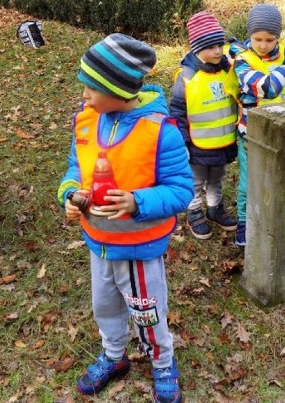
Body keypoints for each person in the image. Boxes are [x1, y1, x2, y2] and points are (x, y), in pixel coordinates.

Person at [57, 33, 193, 403]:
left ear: (115, 88)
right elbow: (75, 168)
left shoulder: (158, 131)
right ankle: (114, 356)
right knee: (105, 307)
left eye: (90, 87)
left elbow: (182, 190)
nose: (83, 95)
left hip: (138, 249)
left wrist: (137, 201)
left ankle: (162, 361)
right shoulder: (86, 122)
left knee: (146, 311)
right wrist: (71, 195)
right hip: (98, 243)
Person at [231, 3, 285, 246]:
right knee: (249, 180)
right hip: (252, 132)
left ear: (278, 37)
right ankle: (244, 222)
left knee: (279, 176)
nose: (263, 45)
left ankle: (274, 217)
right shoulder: (242, 60)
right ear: (250, 35)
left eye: (270, 39)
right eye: (257, 38)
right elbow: (267, 88)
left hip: (283, 127)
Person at [168, 11, 238, 239]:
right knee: (196, 181)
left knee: (217, 178)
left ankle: (215, 208)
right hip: (197, 144)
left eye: (220, 45)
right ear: (197, 48)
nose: (218, 51)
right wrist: (183, 143)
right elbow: (177, 112)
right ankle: (194, 211)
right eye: (211, 47)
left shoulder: (228, 69)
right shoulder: (187, 76)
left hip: (223, 141)